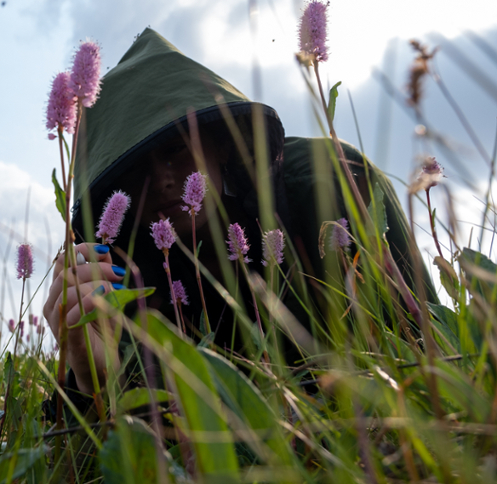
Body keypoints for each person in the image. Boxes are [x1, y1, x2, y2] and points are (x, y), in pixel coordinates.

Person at [43, 28, 437, 399]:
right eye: (135, 171)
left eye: (176, 149)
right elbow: (151, 434)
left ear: (224, 145)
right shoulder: (129, 273)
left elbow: (425, 341)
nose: (160, 181)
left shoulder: (326, 183)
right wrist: (94, 378)